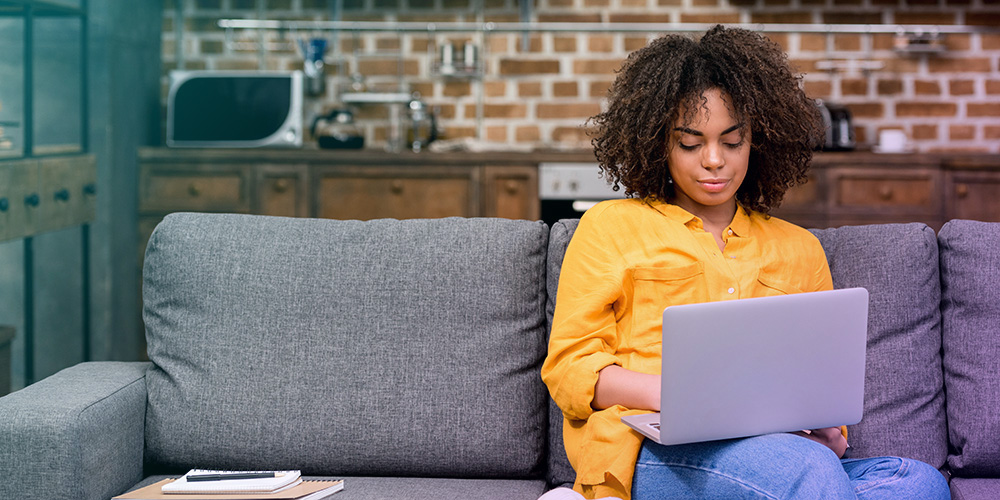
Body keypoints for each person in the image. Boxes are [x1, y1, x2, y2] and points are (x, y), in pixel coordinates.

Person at [540, 25, 951, 500]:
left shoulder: (798, 248)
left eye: (732, 142)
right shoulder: (611, 226)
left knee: (917, 482)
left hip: (782, 452)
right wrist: (680, 395)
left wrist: (830, 433)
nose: (713, 160)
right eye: (690, 143)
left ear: (759, 140)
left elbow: (820, 382)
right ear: (658, 143)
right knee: (806, 473)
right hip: (648, 447)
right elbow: (570, 369)